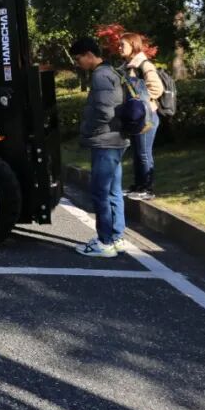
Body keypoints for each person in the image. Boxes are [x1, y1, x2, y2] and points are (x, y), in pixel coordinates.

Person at [70, 37, 131, 258]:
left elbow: (105, 112)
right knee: (114, 192)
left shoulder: (100, 76)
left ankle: (104, 242)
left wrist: (91, 130)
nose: (77, 63)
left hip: (106, 141)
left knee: (100, 193)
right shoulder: (112, 72)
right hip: (116, 140)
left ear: (89, 54)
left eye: (78, 59)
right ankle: (116, 237)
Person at [119, 32, 162, 201]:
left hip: (147, 117)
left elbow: (156, 89)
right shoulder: (127, 66)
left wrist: (140, 101)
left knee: (144, 153)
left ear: (133, 45)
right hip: (136, 117)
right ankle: (138, 185)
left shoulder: (144, 65)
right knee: (137, 152)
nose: (119, 48)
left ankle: (147, 188)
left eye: (123, 45)